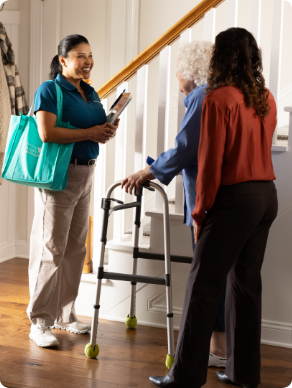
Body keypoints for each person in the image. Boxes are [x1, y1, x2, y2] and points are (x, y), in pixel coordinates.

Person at [148, 28, 278, 388]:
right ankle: (243, 373)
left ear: (220, 57)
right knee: (245, 286)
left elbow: (209, 166)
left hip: (234, 200)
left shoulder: (218, 99)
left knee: (202, 286)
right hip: (266, 197)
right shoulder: (264, 97)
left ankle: (185, 377)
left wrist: (198, 214)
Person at [122, 40, 227, 367]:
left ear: (192, 70)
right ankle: (221, 347)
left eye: (179, 69)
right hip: (225, 197)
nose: (176, 76)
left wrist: (149, 169)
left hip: (208, 200)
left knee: (207, 276)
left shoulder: (201, 95)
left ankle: (216, 352)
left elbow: (185, 148)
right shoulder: (222, 93)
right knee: (218, 275)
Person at [27, 34, 119, 348]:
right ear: (63, 60)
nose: (87, 61)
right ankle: (39, 322)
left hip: (87, 171)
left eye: (90, 55)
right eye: (80, 56)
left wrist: (105, 129)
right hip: (60, 174)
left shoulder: (90, 92)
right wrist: (90, 131)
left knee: (76, 249)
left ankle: (65, 315)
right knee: (51, 249)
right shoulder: (50, 90)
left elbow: (90, 130)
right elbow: (47, 132)